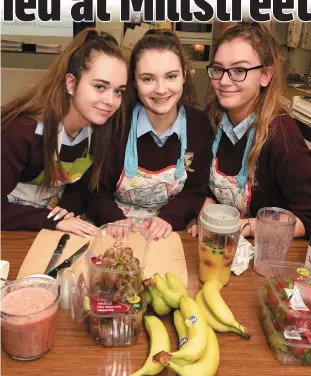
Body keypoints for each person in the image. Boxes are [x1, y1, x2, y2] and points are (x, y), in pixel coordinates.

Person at [86, 28, 214, 240]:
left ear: (184, 75)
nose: (161, 89)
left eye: (171, 76)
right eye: (148, 79)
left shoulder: (200, 126)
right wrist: (115, 219)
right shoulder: (113, 124)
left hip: (168, 234)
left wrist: (169, 218)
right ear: (133, 82)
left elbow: (195, 191)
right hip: (114, 232)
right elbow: (94, 193)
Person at [189, 23, 311, 238]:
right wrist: (204, 212)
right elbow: (203, 185)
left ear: (265, 75)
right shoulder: (212, 118)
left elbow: (306, 217)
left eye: (239, 70)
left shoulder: (281, 135)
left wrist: (245, 227)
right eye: (218, 69)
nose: (224, 81)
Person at [2, 28, 128, 237]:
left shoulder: (100, 130)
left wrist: (67, 211)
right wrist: (52, 219)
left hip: (49, 229)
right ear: (71, 83)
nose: (110, 101)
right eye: (99, 87)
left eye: (118, 91)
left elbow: (81, 189)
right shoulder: (21, 132)